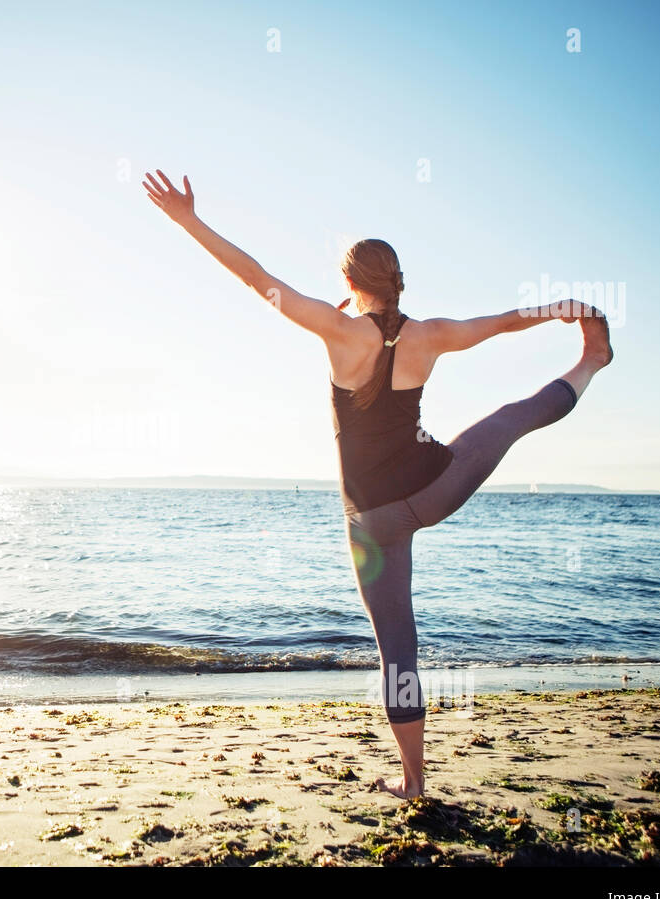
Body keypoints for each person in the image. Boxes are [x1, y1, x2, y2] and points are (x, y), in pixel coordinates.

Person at [142, 169, 613, 799]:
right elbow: (499, 322)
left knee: (398, 648)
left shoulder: (337, 331)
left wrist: (188, 220)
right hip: (439, 484)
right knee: (511, 419)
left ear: (348, 283)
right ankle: (590, 362)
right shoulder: (430, 334)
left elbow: (261, 282)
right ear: (397, 280)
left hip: (372, 518)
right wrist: (555, 310)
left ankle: (414, 781)